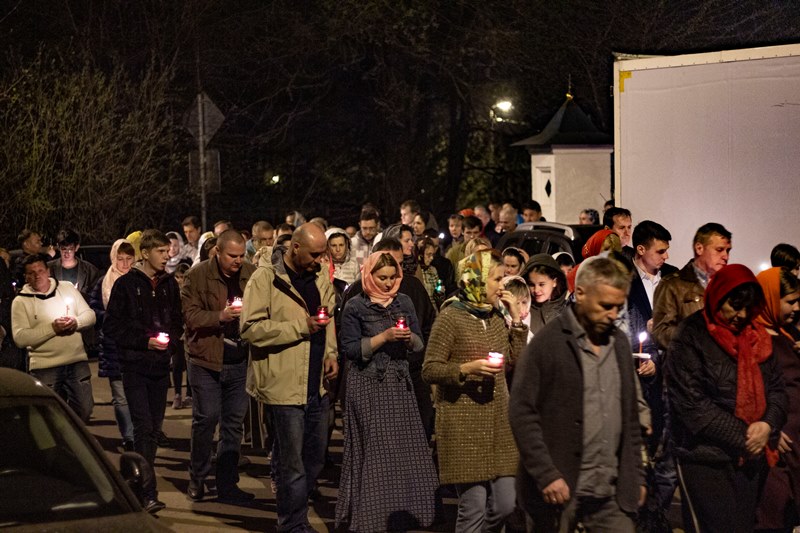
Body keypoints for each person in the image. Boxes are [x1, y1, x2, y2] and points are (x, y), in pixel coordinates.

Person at [509, 256, 646, 532]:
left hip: (611, 493)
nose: (613, 315)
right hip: (560, 492)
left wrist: (637, 476)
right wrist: (546, 474)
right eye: (605, 305)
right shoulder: (548, 343)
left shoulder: (619, 344)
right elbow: (521, 411)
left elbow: (629, 415)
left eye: (618, 307)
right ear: (581, 294)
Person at [666, 264, 787, 533]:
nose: (741, 315)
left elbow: (778, 390)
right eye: (734, 306)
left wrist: (767, 425)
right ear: (717, 296)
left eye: (748, 308)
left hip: (750, 460)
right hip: (705, 460)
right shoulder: (691, 335)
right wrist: (748, 436)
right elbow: (693, 406)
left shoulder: (757, 336)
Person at [240, 223, 339, 533]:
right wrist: (300, 327)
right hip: (283, 386)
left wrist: (331, 353)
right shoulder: (265, 278)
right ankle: (292, 523)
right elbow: (250, 329)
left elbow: (328, 318)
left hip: (316, 385)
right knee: (292, 464)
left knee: (314, 459)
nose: (320, 260)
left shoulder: (320, 276)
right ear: (295, 248)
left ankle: (293, 509)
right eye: (315, 254)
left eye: (322, 254)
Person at [423, 251, 528, 532]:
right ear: (476, 280)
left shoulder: (495, 316)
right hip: (464, 427)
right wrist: (466, 368)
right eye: (496, 279)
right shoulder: (450, 317)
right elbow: (429, 369)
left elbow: (514, 361)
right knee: (473, 508)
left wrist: (516, 320)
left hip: (498, 424)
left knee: (506, 503)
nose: (502, 285)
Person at [335, 251, 439, 531]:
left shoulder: (404, 301)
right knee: (375, 454)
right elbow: (350, 349)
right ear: (369, 275)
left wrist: (408, 338)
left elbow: (419, 343)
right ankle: (371, 518)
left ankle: (402, 514)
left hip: (399, 384)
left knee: (403, 452)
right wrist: (383, 337)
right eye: (382, 277)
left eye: (393, 277)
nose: (388, 283)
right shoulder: (356, 306)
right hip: (367, 385)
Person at [104, 229, 184, 514]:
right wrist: (144, 341)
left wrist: (170, 345)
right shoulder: (126, 284)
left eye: (168, 251)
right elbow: (112, 326)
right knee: (143, 428)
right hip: (135, 366)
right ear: (146, 253)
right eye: (161, 252)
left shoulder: (169, 284)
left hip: (160, 367)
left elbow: (177, 321)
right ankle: (146, 491)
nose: (167, 256)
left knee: (153, 429)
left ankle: (139, 486)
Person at [181, 230, 256, 504]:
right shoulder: (198, 275)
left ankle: (227, 483)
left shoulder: (251, 274)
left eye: (241, 255)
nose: (238, 261)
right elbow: (190, 315)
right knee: (206, 419)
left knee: (233, 425)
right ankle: (198, 477)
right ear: (218, 252)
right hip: (206, 359)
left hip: (239, 360)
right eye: (232, 256)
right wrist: (220, 316)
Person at [12, 254, 96, 422]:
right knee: (48, 416)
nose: (37, 276)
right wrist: (53, 329)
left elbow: (90, 315)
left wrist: (75, 322)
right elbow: (20, 337)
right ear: (26, 277)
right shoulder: (20, 301)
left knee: (84, 410)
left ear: (48, 271)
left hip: (75, 361)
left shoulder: (66, 288)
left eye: (40, 271)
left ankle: (73, 434)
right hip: (45, 367)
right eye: (31, 273)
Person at [755, 267, 800, 531]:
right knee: (774, 514)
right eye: (790, 301)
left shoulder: (785, 334)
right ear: (771, 298)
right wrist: (771, 426)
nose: (797, 308)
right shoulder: (755, 339)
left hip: (793, 441)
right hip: (777, 446)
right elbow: (751, 389)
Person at [652, 222, 732, 350]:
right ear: (699, 248)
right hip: (688, 361)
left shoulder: (730, 286)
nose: (725, 256)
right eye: (719, 250)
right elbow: (661, 332)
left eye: (728, 250)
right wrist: (698, 337)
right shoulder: (671, 285)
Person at [90, 239, 136, 451]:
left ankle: (142, 432)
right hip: (113, 346)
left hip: (136, 346)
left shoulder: (139, 280)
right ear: (113, 258)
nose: (125, 264)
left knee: (138, 394)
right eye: (120, 259)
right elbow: (94, 310)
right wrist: (111, 317)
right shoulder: (104, 283)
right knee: (120, 396)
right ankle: (129, 437)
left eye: (129, 259)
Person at [521, 253, 569, 338]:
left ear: (554, 282)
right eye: (531, 284)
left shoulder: (566, 310)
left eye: (541, 284)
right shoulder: (522, 308)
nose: (536, 290)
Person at [416, 236, 446, 309]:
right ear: (420, 255)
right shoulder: (415, 270)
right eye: (428, 255)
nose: (431, 258)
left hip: (433, 309)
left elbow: (438, 293)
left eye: (432, 255)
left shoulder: (433, 270)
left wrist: (440, 292)